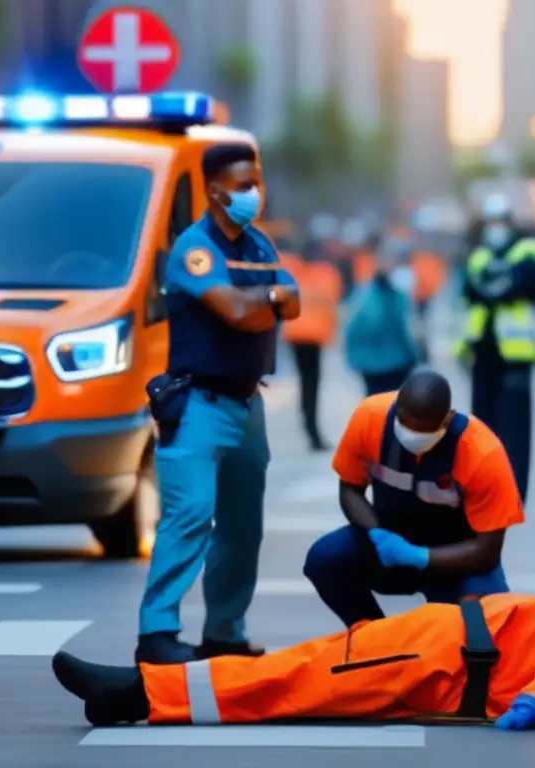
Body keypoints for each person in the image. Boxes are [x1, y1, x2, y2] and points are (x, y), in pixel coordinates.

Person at [51, 592, 535, 728]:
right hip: (440, 642)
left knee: (296, 677)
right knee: (301, 668)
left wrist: (531, 707)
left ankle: (139, 696)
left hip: (439, 660)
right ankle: (140, 691)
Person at [139, 142, 301, 665]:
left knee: (242, 529)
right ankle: (157, 633)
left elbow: (293, 300)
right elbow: (235, 311)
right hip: (199, 407)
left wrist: (266, 302)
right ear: (213, 190)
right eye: (243, 183)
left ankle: (224, 634)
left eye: (258, 180)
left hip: (247, 407)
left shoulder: (257, 246)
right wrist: (265, 301)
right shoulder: (196, 248)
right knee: (189, 516)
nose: (255, 192)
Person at [302, 370, 520, 627]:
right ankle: (376, 641)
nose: (412, 433)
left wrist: (419, 556)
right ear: (396, 408)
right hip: (388, 541)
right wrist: (377, 534)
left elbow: (487, 552)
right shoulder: (370, 418)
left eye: (424, 428)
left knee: (480, 632)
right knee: (325, 558)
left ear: (447, 420)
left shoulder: (482, 452)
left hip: (456, 558)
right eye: (405, 422)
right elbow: (350, 489)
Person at [456, 194, 535, 501]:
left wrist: (495, 286)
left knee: (515, 428)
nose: (495, 228)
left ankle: (512, 492)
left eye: (500, 221)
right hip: (482, 352)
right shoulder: (478, 254)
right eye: (490, 222)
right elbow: (470, 290)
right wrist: (498, 286)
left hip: (516, 354)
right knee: (482, 427)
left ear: (511, 222)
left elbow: (519, 286)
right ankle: (485, 487)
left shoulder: (529, 250)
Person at [281, 248, 341, 452]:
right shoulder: (328, 275)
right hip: (314, 337)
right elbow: (333, 304)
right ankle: (311, 429)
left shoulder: (292, 271)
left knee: (306, 383)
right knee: (311, 384)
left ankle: (309, 425)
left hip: (295, 334)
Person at [343, 245, 418, 396]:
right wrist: (413, 356)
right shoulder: (398, 296)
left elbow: (351, 328)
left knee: (373, 404)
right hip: (395, 361)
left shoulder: (362, 293)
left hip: (370, 364)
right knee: (391, 405)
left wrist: (352, 358)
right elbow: (406, 328)